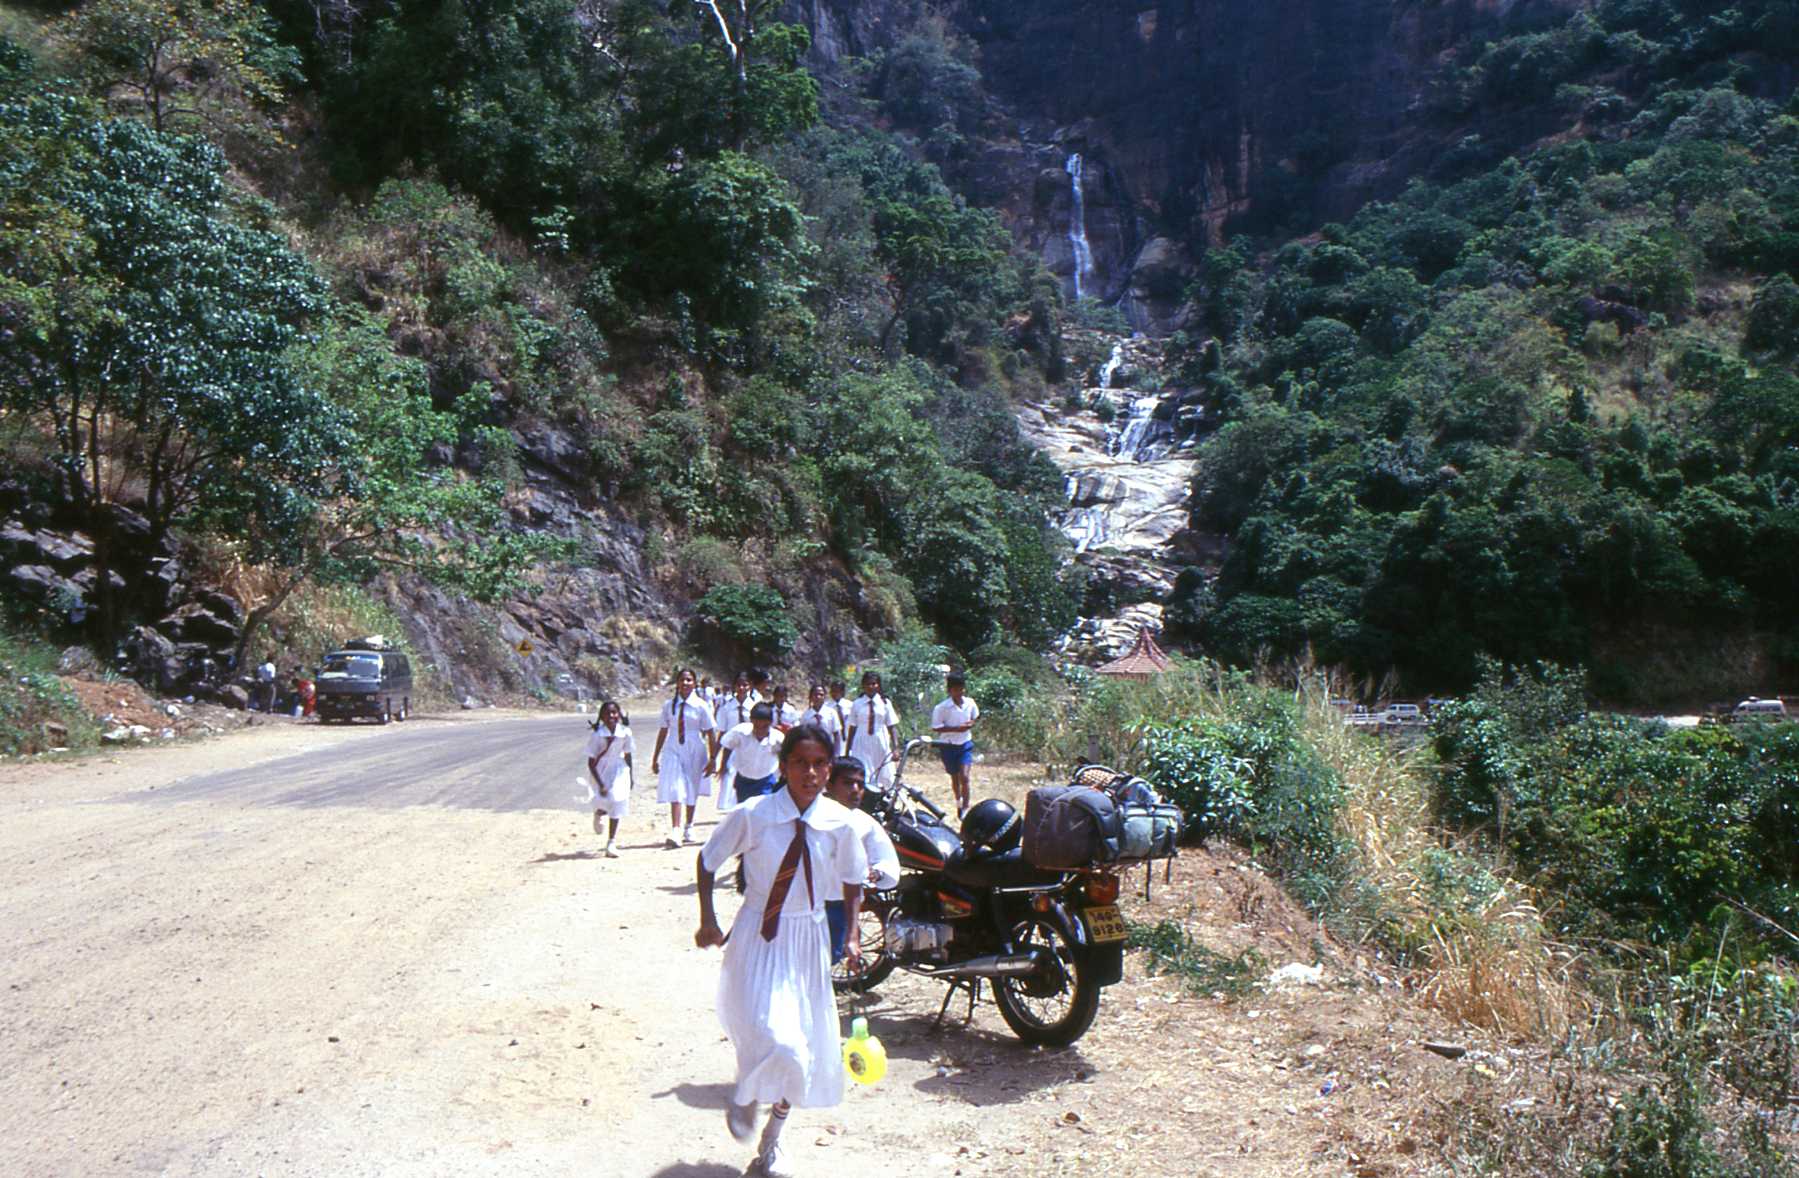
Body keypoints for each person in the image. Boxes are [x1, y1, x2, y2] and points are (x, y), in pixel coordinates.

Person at [694, 725, 867, 1178]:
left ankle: (773, 1138)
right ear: (783, 766)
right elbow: (708, 860)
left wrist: (852, 934)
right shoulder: (755, 814)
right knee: (767, 1032)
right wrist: (708, 918)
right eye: (799, 763)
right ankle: (747, 1091)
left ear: (829, 769)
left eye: (819, 764)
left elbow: (853, 880)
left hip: (807, 937)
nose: (810, 774)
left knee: (800, 1047)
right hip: (758, 933)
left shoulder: (840, 822)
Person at [822, 759, 899, 966]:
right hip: (805, 903)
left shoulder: (865, 823)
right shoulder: (812, 816)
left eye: (860, 784)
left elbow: (884, 857)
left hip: (839, 903)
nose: (855, 790)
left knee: (827, 959)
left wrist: (877, 872)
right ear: (829, 785)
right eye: (848, 783)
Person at [652, 668, 716, 848]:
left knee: (691, 787)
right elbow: (663, 730)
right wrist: (655, 756)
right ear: (677, 683)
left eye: (689, 680)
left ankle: (689, 824)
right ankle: (675, 829)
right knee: (676, 786)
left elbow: (710, 732)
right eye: (682, 680)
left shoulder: (701, 705)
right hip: (673, 748)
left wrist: (712, 758)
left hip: (695, 748)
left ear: (694, 683)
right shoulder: (669, 706)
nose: (685, 683)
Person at [585, 700, 634, 857]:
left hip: (619, 769)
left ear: (619, 714)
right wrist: (600, 783)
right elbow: (591, 762)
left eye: (614, 712)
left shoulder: (625, 733)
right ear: (602, 716)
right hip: (600, 770)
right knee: (603, 801)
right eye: (607, 713)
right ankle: (598, 813)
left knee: (616, 801)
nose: (611, 716)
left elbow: (628, 754)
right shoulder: (597, 735)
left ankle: (611, 842)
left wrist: (631, 775)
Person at [930, 671, 981, 817]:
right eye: (956, 689)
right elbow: (936, 727)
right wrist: (956, 729)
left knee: (964, 776)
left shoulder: (970, 703)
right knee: (955, 777)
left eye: (961, 689)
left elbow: (976, 717)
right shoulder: (942, 708)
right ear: (949, 690)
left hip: (964, 744)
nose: (959, 692)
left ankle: (965, 808)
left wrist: (971, 724)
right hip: (948, 745)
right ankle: (958, 801)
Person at [715, 703, 785, 805]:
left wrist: (783, 773)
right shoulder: (740, 733)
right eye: (757, 726)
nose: (760, 730)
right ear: (751, 721)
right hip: (743, 780)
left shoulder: (778, 739)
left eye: (764, 727)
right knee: (745, 808)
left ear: (770, 723)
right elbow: (728, 746)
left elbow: (784, 756)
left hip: (765, 780)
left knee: (762, 808)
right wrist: (723, 765)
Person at [847, 671, 900, 788]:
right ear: (863, 685)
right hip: (861, 743)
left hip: (880, 742)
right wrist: (847, 750)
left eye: (874, 684)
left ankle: (885, 796)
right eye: (868, 684)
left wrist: (896, 748)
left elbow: (891, 726)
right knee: (863, 771)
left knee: (884, 773)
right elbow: (852, 727)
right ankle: (865, 797)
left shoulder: (885, 703)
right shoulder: (857, 704)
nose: (871, 686)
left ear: (878, 685)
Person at [712, 674, 755, 812]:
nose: (742, 688)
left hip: (750, 748)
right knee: (730, 776)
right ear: (734, 687)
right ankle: (730, 810)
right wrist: (714, 757)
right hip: (732, 749)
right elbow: (722, 733)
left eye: (745, 685)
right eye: (739, 685)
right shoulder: (726, 708)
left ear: (750, 686)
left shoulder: (754, 707)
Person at [799, 684, 844, 757]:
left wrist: (836, 754)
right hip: (811, 750)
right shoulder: (806, 716)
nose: (818, 697)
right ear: (810, 697)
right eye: (815, 695)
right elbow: (802, 736)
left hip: (828, 749)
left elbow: (837, 735)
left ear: (825, 697)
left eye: (821, 695)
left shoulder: (831, 713)